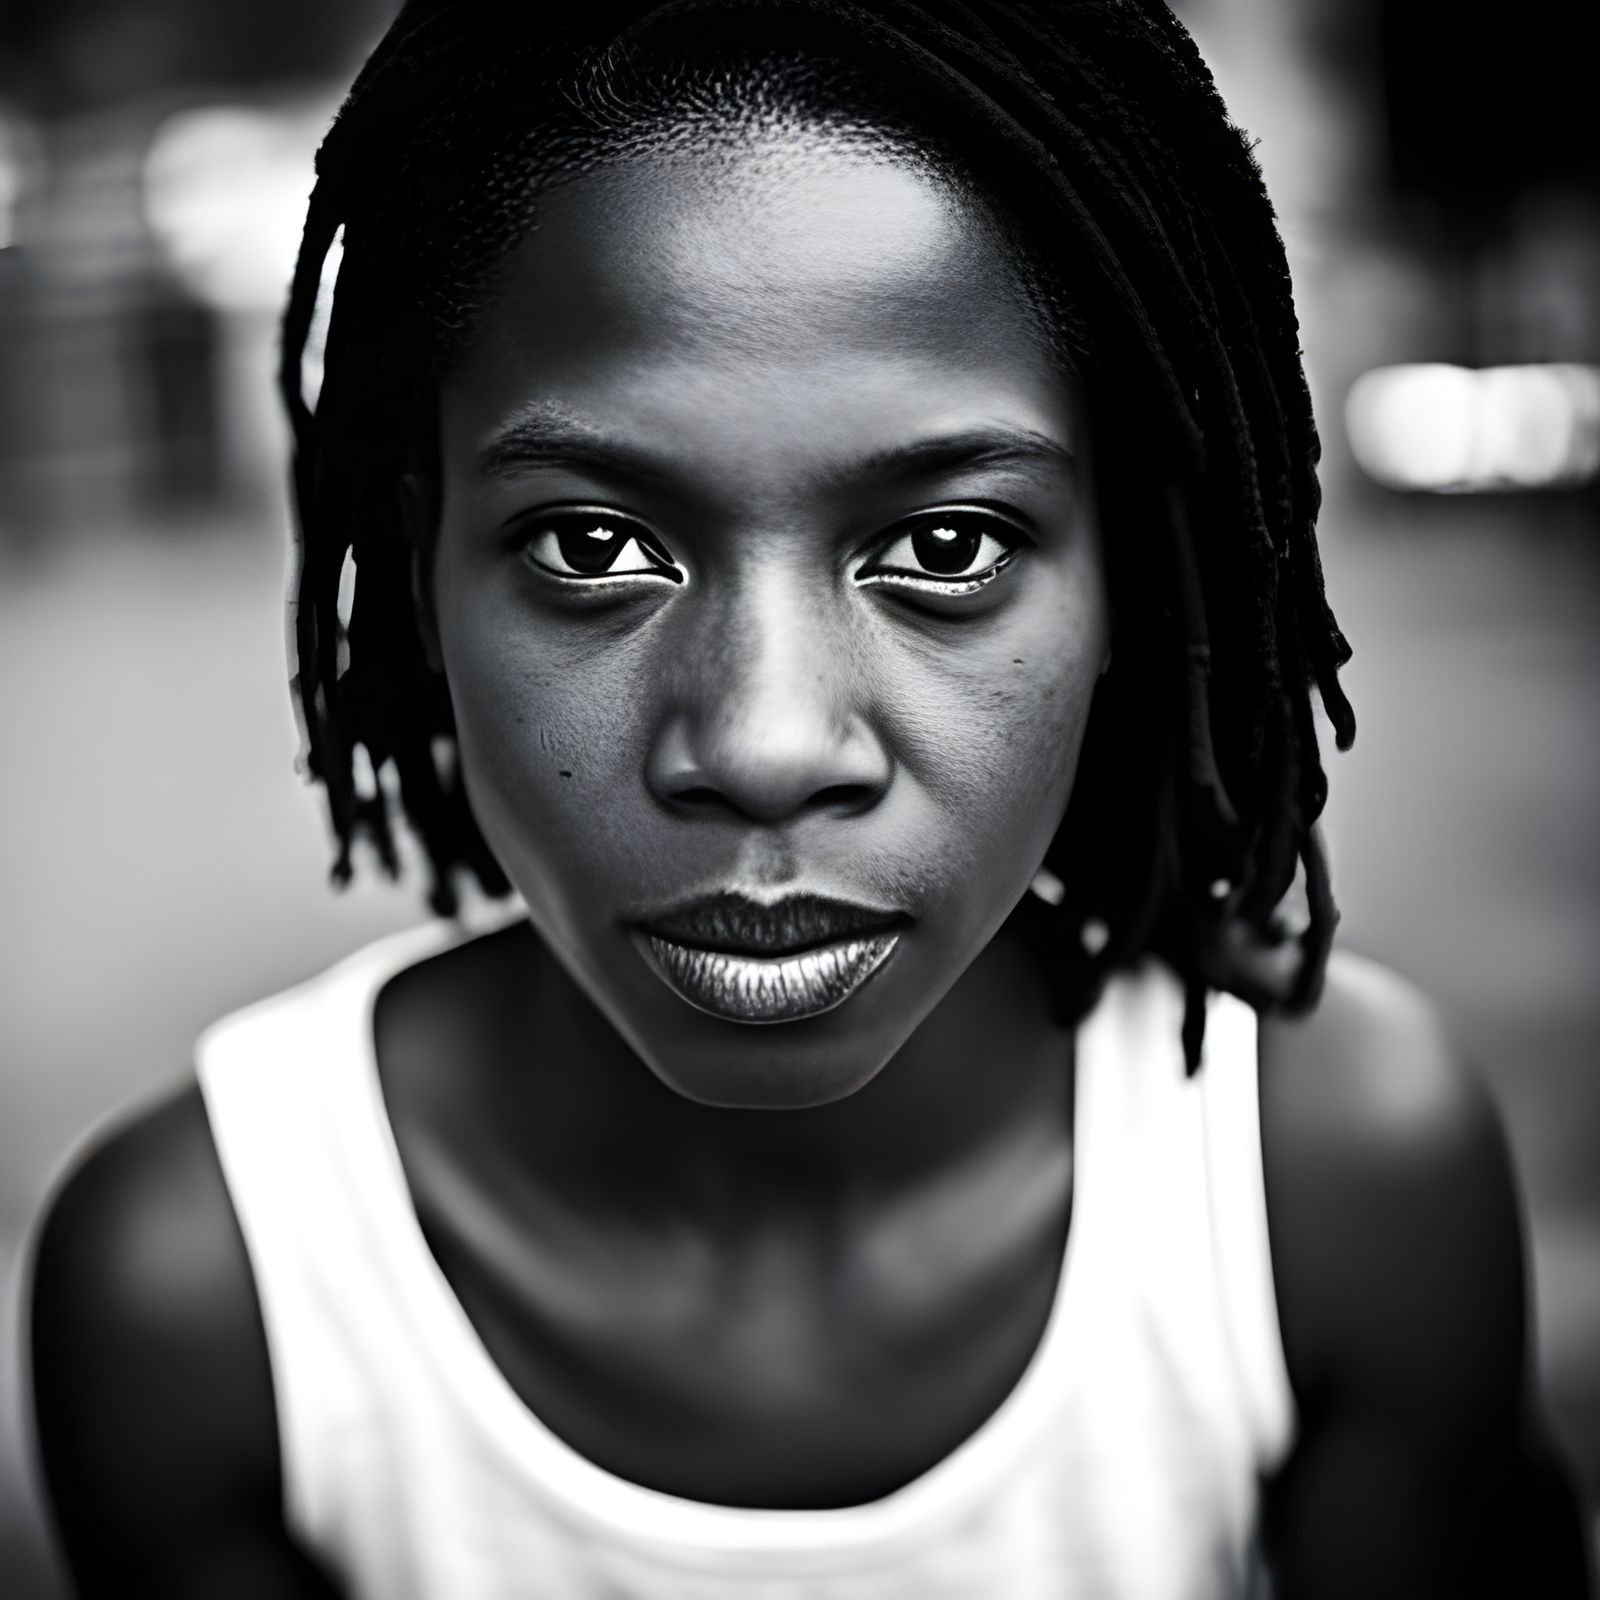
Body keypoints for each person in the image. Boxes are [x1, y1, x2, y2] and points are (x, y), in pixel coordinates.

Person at [27, 2, 1594, 1596]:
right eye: (592, 545)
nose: (766, 744)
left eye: (945, 547)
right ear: (423, 569)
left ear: (1131, 569)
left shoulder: (1330, 1190)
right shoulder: (209, 1297)